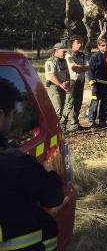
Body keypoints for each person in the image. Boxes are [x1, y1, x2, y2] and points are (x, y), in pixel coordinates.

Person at [0, 78, 64, 251]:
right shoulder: (16, 163)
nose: (12, 122)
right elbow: (53, 197)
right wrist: (54, 173)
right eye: (13, 114)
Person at [87, 38, 107, 126]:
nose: (105, 47)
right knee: (95, 102)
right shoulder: (95, 57)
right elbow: (90, 71)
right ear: (99, 46)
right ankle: (91, 120)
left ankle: (102, 120)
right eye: (103, 45)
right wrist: (92, 84)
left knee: (105, 102)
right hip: (97, 84)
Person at [63, 36, 88, 131]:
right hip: (72, 81)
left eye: (81, 43)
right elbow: (73, 68)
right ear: (72, 44)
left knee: (78, 103)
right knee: (69, 103)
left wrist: (80, 67)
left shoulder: (82, 55)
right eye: (77, 43)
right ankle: (62, 125)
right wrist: (82, 67)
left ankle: (75, 124)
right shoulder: (68, 55)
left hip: (81, 81)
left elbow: (88, 66)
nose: (80, 45)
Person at [45, 42, 70, 122]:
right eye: (64, 51)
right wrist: (61, 84)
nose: (65, 53)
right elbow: (51, 76)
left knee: (62, 109)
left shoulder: (64, 61)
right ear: (56, 51)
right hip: (54, 87)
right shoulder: (50, 61)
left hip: (62, 86)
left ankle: (58, 130)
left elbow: (67, 73)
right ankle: (51, 130)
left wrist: (67, 82)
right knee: (57, 111)